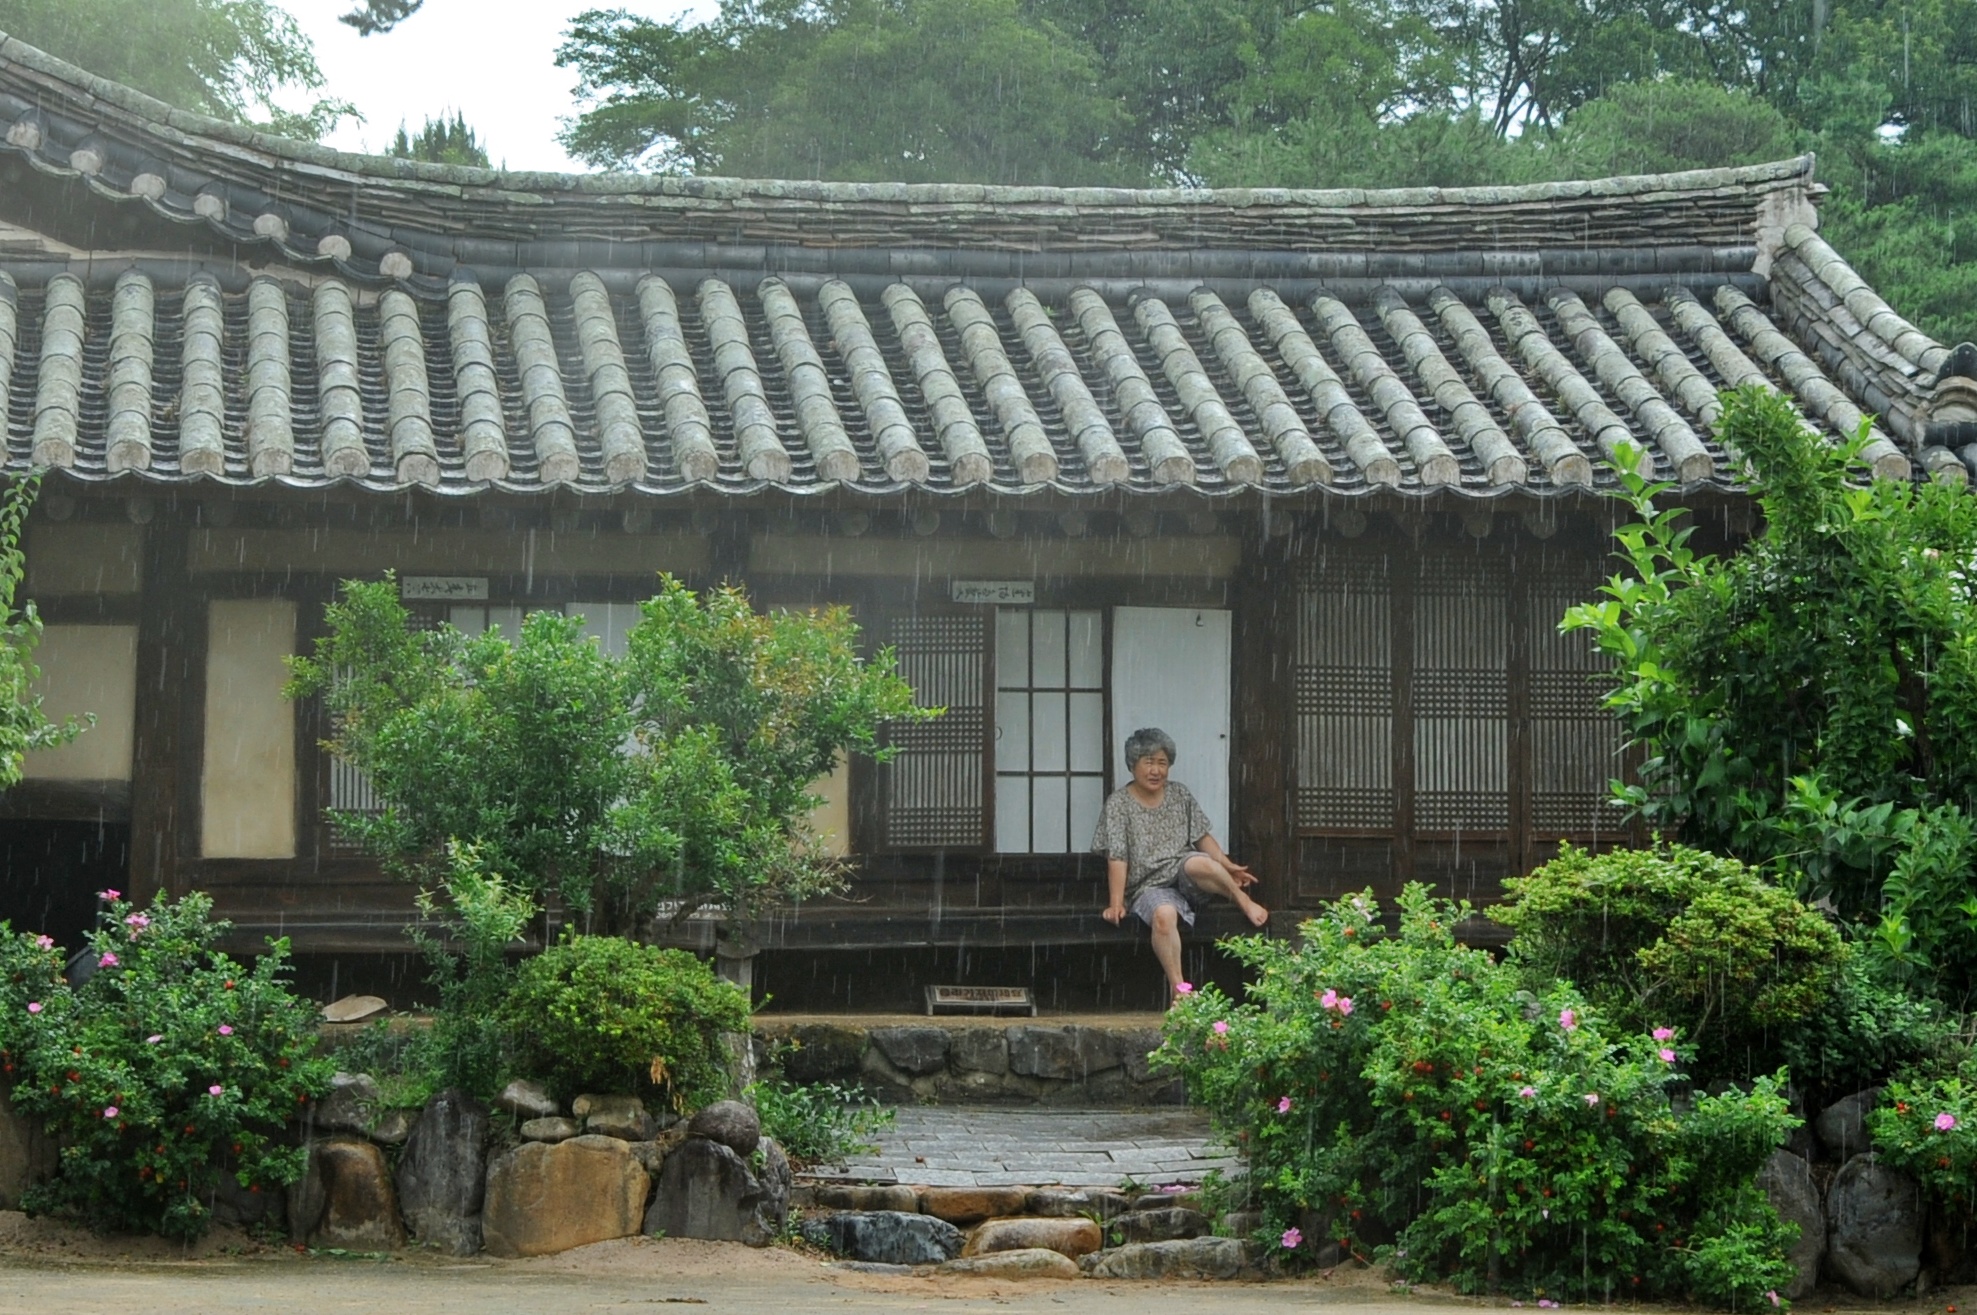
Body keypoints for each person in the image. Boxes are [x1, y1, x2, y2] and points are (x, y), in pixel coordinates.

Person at [1093, 727, 1268, 1000]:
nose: (1156, 770)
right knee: (1164, 917)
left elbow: (1201, 837)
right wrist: (1116, 903)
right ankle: (1180, 991)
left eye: (1162, 763)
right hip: (1149, 886)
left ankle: (1242, 900)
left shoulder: (1179, 794)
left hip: (1183, 870)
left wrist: (1227, 865)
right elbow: (1117, 856)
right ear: (1133, 765)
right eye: (1148, 762)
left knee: (1202, 863)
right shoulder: (1118, 804)